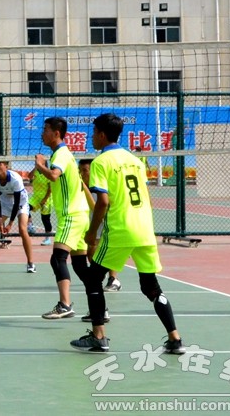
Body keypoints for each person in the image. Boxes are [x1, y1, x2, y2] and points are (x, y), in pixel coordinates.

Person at [71, 113, 185, 354]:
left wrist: (91, 233)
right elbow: (146, 198)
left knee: (93, 279)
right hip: (144, 228)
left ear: (102, 134)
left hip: (121, 228)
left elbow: (103, 201)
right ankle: (174, 338)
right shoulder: (135, 161)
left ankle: (99, 336)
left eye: (94, 132)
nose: (92, 137)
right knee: (150, 285)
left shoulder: (101, 162)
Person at [34, 117, 91, 320]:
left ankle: (65, 305)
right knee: (80, 266)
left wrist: (39, 165)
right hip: (80, 215)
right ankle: (99, 307)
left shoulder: (61, 154)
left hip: (71, 216)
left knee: (57, 258)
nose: (43, 133)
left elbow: (53, 175)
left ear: (56, 133)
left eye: (45, 129)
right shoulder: (65, 154)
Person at [77, 159, 121, 294]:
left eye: (85, 170)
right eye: (80, 170)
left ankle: (113, 279)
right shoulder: (80, 186)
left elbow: (101, 205)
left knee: (107, 249)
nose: (82, 173)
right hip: (90, 221)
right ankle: (99, 275)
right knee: (91, 251)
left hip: (105, 220)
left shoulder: (100, 186)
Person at [29, 167, 54, 246]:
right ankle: (30, 226)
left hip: (46, 199)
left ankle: (48, 238)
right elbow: (29, 176)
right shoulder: (36, 171)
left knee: (45, 219)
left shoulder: (48, 173)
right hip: (35, 197)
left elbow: (50, 189)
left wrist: (44, 199)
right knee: (24, 208)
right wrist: (35, 167)